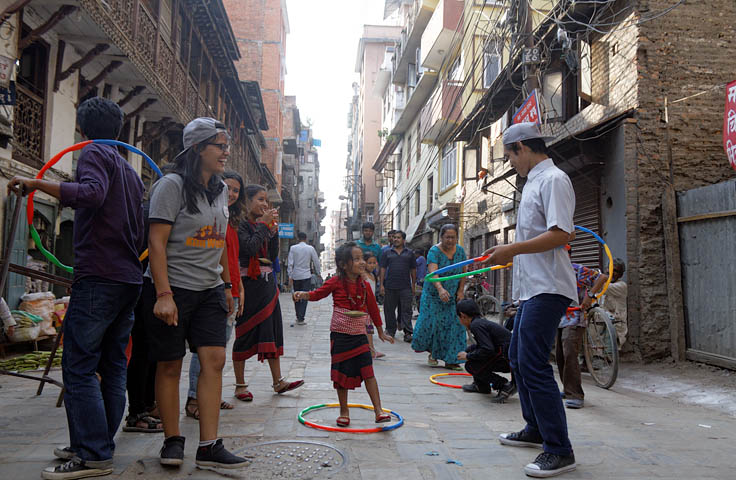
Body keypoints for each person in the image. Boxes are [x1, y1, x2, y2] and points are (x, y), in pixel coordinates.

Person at [9, 97, 145, 479]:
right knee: (113, 364)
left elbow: (91, 194)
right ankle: (95, 443)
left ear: (82, 131)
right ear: (118, 130)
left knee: (80, 367)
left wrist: (37, 183)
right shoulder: (130, 171)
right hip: (127, 277)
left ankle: (92, 452)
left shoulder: (93, 154)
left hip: (100, 276)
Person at [144, 117, 247, 468]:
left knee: (214, 361)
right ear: (198, 148)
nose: (225, 152)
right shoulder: (170, 186)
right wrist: (163, 294)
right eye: (219, 145)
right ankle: (173, 440)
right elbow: (156, 243)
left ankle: (209, 445)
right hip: (173, 288)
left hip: (210, 289)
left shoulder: (220, 190)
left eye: (226, 145)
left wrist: (228, 283)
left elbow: (218, 239)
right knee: (171, 364)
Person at [483, 122, 578, 477]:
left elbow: (561, 233)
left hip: (549, 287)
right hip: (530, 288)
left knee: (534, 364)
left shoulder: (553, 180)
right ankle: (535, 428)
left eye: (509, 156)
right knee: (517, 358)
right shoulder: (533, 184)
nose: (510, 164)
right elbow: (532, 242)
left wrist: (512, 249)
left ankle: (559, 449)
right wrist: (508, 254)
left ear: (521, 147)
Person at [293, 242, 394, 426]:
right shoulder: (336, 281)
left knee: (369, 372)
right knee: (340, 375)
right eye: (356, 259)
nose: (362, 262)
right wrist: (303, 294)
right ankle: (344, 411)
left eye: (362, 258)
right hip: (340, 336)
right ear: (344, 264)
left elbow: (372, 308)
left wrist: (380, 332)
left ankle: (379, 410)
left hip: (360, 336)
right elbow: (318, 294)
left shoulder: (364, 284)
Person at [232, 184, 304, 401]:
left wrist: (273, 233)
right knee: (244, 331)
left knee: (271, 330)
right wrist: (264, 226)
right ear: (248, 201)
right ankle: (240, 385)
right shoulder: (240, 226)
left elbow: (271, 256)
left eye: (266, 201)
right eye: (260, 200)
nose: (264, 204)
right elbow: (250, 249)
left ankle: (278, 381)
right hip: (248, 284)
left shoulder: (262, 225)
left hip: (267, 283)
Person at [186, 171, 246, 414]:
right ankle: (193, 399)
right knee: (205, 347)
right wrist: (226, 287)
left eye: (236, 191)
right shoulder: (210, 216)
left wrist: (239, 287)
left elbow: (232, 259)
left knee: (219, 349)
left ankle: (210, 394)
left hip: (230, 288)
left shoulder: (229, 221)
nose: (231, 194)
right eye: (227, 188)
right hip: (215, 287)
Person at [556, 246, 608, 410]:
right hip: (557, 317)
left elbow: (602, 277)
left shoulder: (578, 270)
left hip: (575, 317)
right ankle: (567, 388)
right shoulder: (551, 272)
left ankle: (576, 394)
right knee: (560, 355)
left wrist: (590, 295)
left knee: (570, 351)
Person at [411, 224, 467, 370]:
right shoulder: (434, 251)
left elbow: (463, 272)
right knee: (433, 324)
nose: (450, 240)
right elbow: (433, 272)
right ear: (441, 237)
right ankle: (433, 354)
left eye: (453, 237)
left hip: (452, 295)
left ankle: (452, 359)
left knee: (454, 325)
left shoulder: (460, 251)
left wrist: (461, 291)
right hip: (434, 295)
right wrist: (440, 289)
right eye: (447, 237)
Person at [456, 299, 516, 402]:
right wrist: (469, 351)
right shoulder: (479, 322)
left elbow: (487, 349)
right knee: (471, 351)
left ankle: (504, 385)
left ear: (463, 315)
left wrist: (468, 356)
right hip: (505, 354)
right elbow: (485, 345)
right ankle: (481, 386)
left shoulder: (476, 325)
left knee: (471, 365)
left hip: (507, 358)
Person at [379, 230, 416, 342]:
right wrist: (381, 284)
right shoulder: (387, 253)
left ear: (403, 240)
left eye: (398, 237)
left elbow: (413, 270)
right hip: (390, 285)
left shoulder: (410, 253)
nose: (395, 239)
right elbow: (383, 269)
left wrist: (413, 285)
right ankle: (390, 330)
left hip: (405, 286)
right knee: (389, 309)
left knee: (406, 310)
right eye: (394, 237)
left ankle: (408, 332)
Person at [288, 231, 321, 325]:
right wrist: (318, 273)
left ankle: (298, 315)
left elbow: (290, 263)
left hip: (296, 275)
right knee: (305, 296)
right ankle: (301, 318)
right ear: (306, 239)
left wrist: (290, 275)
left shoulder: (293, 248)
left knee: (296, 295)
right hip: (306, 275)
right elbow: (316, 261)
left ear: (298, 238)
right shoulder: (310, 248)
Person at [599, 258, 627, 348]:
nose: (611, 272)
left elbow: (602, 287)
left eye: (615, 271)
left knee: (609, 353)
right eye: (610, 269)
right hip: (599, 324)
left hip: (614, 325)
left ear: (621, 274)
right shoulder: (603, 283)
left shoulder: (621, 286)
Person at [362, 252, 384, 358]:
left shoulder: (373, 275)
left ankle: (371, 349)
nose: (372, 265)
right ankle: (370, 349)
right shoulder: (363, 276)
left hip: (371, 306)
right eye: (369, 263)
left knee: (369, 329)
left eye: (374, 263)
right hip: (364, 307)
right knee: (368, 329)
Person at [414, 249, 427, 313]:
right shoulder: (422, 259)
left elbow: (414, 263)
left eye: (415, 254)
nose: (415, 255)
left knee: (419, 295)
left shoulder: (421, 258)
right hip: (420, 279)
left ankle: (420, 311)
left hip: (421, 279)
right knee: (418, 295)